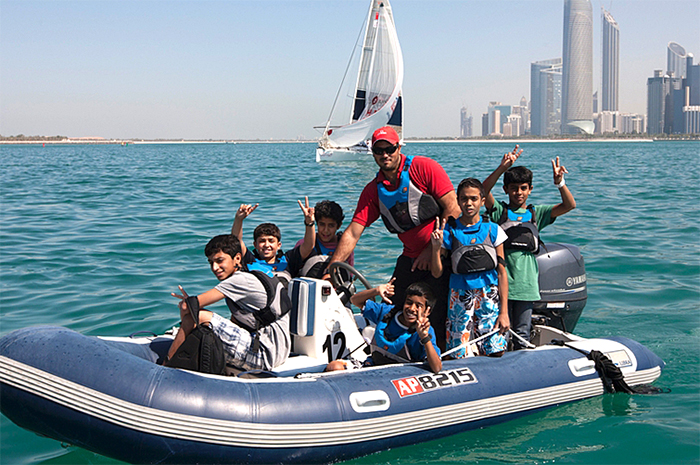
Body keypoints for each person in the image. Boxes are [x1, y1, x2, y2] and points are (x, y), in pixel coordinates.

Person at [325, 126, 461, 350]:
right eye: (379, 150)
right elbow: (352, 232)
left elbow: (453, 209)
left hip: (439, 255)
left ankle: (442, 356)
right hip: (410, 259)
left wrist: (431, 250)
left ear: (399, 148)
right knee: (394, 308)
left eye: (390, 149)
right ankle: (393, 353)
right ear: (373, 153)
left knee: (436, 315)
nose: (385, 154)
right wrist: (330, 270)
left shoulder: (424, 168)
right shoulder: (373, 191)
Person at [483, 146, 576, 349]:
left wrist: (560, 183)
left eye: (524, 188)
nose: (519, 192)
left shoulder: (537, 214)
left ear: (530, 189)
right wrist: (501, 168)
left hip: (527, 287)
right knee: (499, 332)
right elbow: (483, 191)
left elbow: (569, 205)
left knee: (522, 333)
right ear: (506, 189)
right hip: (501, 286)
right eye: (514, 188)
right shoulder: (500, 212)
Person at [166, 234, 291, 371]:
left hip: (265, 354)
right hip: (278, 350)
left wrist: (187, 305)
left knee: (197, 316)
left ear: (237, 258)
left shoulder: (238, 281)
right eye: (211, 262)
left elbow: (188, 307)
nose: (214, 267)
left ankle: (167, 366)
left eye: (220, 261)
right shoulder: (250, 274)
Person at [430, 178, 509, 358]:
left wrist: (504, 312)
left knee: (494, 350)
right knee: (459, 353)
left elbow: (502, 273)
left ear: (482, 201)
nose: (469, 203)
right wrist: (435, 248)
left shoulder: (494, 230)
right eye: (464, 199)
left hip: (488, 293)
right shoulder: (450, 232)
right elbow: (436, 272)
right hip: (460, 294)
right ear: (458, 201)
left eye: (473, 199)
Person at [326, 279, 442, 373]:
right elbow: (355, 300)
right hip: (373, 366)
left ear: (428, 311)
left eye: (418, 305)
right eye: (409, 302)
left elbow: (437, 368)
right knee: (334, 367)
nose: (412, 309)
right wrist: (376, 291)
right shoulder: (387, 312)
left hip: (400, 377)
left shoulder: (426, 331)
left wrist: (424, 338)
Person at [231, 198, 316, 281]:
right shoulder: (250, 261)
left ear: (279, 245)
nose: (267, 245)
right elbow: (236, 241)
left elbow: (308, 246)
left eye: (271, 241)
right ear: (255, 245)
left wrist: (309, 223)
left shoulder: (288, 260)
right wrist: (239, 219)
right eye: (262, 241)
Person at [295, 199, 355, 279]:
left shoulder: (344, 247)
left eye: (331, 225)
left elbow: (349, 276)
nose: (326, 230)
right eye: (322, 224)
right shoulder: (304, 244)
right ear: (317, 223)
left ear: (339, 225)